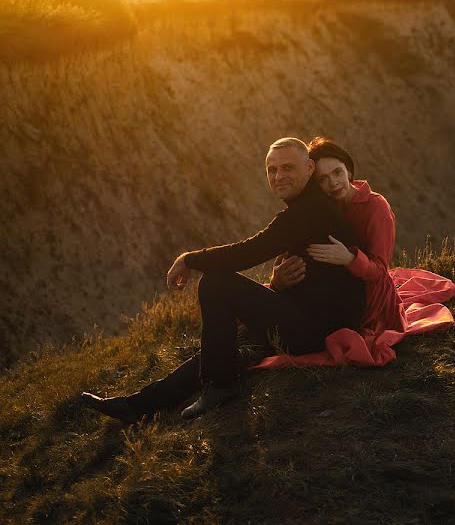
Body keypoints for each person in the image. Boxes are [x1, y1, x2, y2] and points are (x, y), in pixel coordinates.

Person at [81, 137, 365, 422]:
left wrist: (189, 259)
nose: (279, 176)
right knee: (219, 350)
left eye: (288, 168)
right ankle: (138, 405)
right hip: (306, 315)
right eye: (272, 170)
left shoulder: (309, 211)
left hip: (320, 330)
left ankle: (219, 388)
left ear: (309, 168)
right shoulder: (308, 207)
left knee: (216, 283)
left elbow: (248, 252)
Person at [269, 137, 406, 339]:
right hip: (329, 290)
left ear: (348, 170)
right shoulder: (320, 206)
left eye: (337, 172)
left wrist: (349, 258)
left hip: (368, 298)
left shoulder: (376, 207)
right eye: (322, 179)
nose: (332, 183)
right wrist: (277, 275)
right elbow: (292, 243)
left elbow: (379, 271)